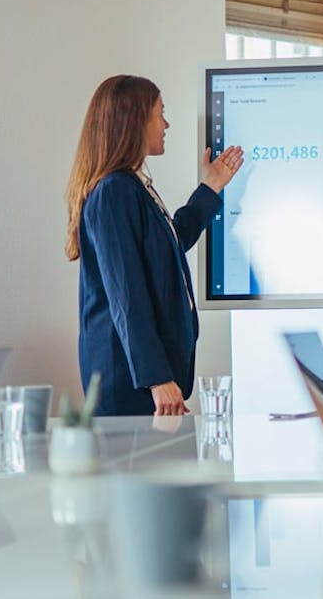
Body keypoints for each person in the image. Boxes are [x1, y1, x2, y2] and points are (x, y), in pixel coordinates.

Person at [65, 75, 244, 416]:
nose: (166, 124)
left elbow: (169, 247)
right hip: (130, 383)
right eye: (159, 114)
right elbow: (126, 293)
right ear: (134, 122)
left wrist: (211, 187)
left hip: (142, 380)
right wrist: (156, 378)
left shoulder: (130, 187)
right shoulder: (114, 191)